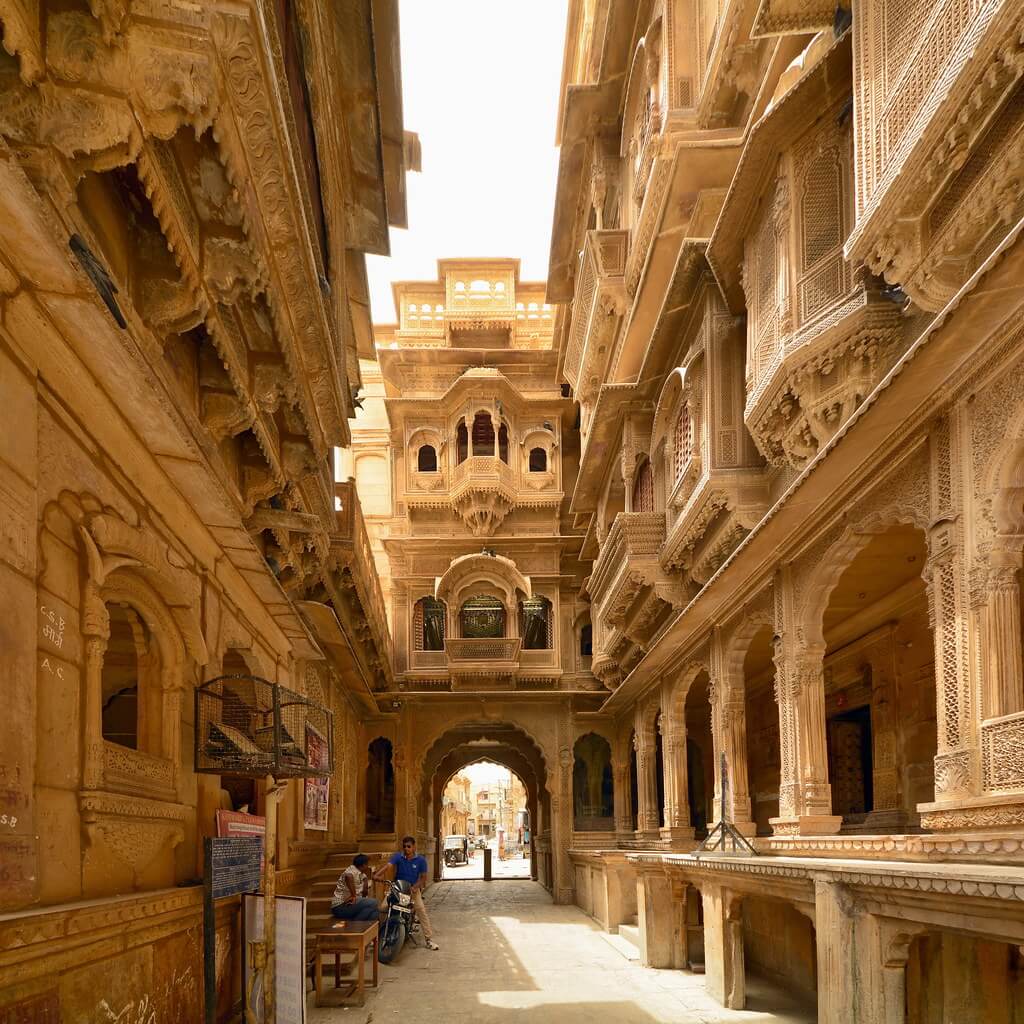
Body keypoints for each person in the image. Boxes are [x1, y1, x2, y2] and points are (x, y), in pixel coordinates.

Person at [374, 836, 439, 950]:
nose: (406, 849)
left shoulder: (421, 860)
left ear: (414, 847)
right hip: (398, 887)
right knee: (383, 908)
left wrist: (416, 887)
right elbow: (388, 866)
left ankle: (429, 940)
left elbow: (423, 878)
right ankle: (377, 937)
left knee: (421, 910)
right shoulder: (398, 857)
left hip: (412, 889)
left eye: (409, 846)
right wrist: (377, 875)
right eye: (404, 846)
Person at [331, 854, 379, 922]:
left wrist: (365, 881)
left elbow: (364, 894)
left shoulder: (362, 875)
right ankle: (355, 923)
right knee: (374, 902)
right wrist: (353, 896)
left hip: (352, 904)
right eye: (367, 864)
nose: (368, 866)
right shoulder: (351, 870)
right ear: (363, 865)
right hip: (340, 906)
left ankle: (359, 925)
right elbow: (348, 876)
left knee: (375, 913)